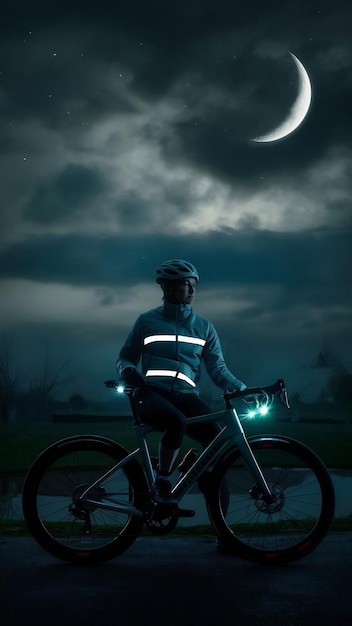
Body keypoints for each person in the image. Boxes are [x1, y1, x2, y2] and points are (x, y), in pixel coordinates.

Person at [116, 259, 246, 506]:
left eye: (194, 285)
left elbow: (217, 369)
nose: (193, 290)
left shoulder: (204, 327)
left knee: (217, 442)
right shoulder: (146, 321)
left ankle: (222, 529)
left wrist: (241, 388)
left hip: (186, 396)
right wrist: (129, 372)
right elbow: (126, 356)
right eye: (186, 285)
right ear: (167, 288)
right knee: (176, 421)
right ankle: (162, 482)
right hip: (151, 393)